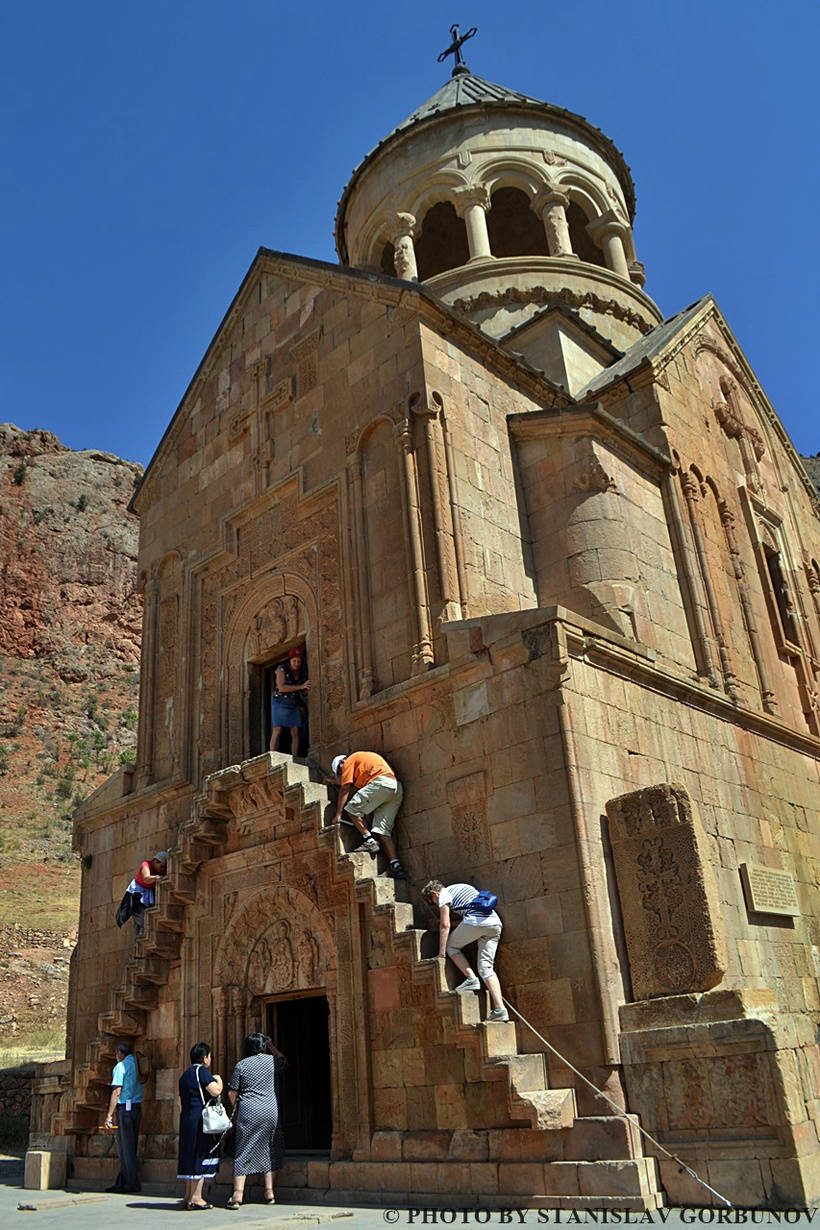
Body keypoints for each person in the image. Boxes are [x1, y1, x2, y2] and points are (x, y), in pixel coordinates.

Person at [422, 879, 509, 1022]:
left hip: (476, 922)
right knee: (486, 969)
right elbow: (467, 918)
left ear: (434, 893)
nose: (436, 905)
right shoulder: (461, 887)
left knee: (451, 946)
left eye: (433, 901)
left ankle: (471, 979)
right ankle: (500, 1010)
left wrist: (441, 953)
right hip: (494, 924)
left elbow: (445, 925)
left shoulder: (444, 894)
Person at [225, 1033, 287, 1208]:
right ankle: (269, 1193)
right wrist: (272, 1045)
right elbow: (283, 1060)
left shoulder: (241, 1065)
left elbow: (232, 1092)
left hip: (249, 1111)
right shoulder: (271, 1061)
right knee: (269, 1149)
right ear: (262, 1046)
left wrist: (237, 1109)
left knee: (244, 1150)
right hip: (270, 1111)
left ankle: (237, 1196)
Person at [330, 752, 407, 880]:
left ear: (341, 763)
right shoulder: (360, 762)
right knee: (382, 831)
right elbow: (347, 783)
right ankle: (395, 865)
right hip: (395, 787)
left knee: (352, 808)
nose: (341, 774)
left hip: (381, 783)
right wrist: (332, 781)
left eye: (340, 772)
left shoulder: (348, 761)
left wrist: (338, 814)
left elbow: (345, 788)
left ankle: (369, 841)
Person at [177, 1041, 224, 1210]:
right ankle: (197, 1197)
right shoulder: (202, 1072)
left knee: (191, 1155)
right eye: (209, 1056)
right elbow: (215, 1091)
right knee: (200, 1155)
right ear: (205, 1058)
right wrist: (219, 1080)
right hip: (200, 1121)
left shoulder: (184, 1075)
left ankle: (188, 1196)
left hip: (187, 1119)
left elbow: (180, 1102)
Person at [103, 1041, 144, 1192]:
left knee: (124, 1147)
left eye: (116, 1053)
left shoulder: (120, 1067)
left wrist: (109, 1115)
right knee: (129, 1147)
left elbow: (117, 1091)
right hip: (136, 1107)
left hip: (125, 1109)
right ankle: (122, 1180)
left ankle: (131, 1183)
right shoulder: (137, 1063)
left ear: (120, 1053)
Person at [270, 647, 309, 756]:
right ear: (290, 661)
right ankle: (273, 754)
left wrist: (304, 690)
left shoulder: (301, 673)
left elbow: (304, 690)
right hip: (280, 701)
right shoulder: (281, 669)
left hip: (293, 703)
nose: (296, 664)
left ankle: (295, 756)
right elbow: (281, 687)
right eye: (294, 661)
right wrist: (300, 687)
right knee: (277, 729)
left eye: (299, 661)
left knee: (295, 730)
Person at [126, 851, 168, 938]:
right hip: (137, 896)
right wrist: (157, 878)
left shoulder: (159, 871)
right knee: (143, 922)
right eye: (162, 866)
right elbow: (146, 878)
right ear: (156, 861)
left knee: (143, 923)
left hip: (147, 898)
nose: (163, 869)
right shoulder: (146, 865)